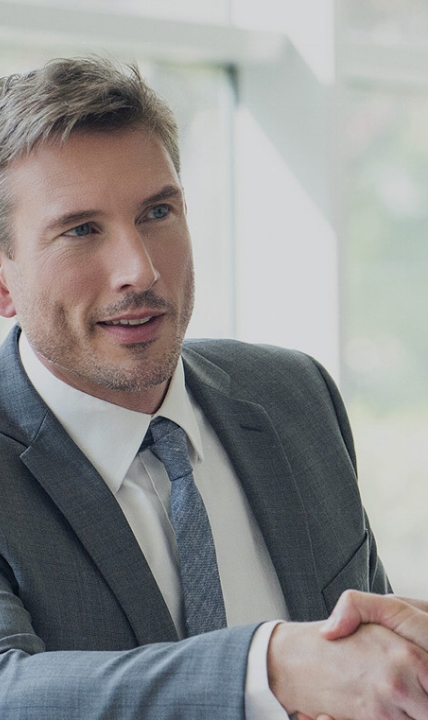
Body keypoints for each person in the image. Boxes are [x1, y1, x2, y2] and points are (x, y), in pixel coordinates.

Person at [0, 55, 427, 720]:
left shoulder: (295, 394)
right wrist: (269, 667)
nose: (140, 269)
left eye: (157, 211)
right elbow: (12, 690)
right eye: (81, 230)